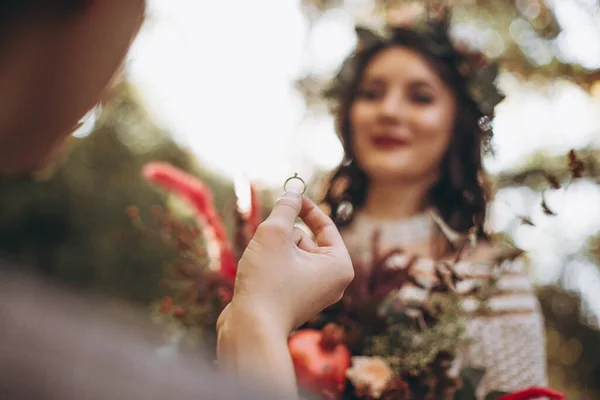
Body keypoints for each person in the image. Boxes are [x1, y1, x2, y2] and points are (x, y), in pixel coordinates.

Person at [0, 2, 353, 399]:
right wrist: (260, 318)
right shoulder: (77, 375)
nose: (114, 79)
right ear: (93, 12)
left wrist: (250, 318)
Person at [318, 7, 547, 398]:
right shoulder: (298, 247)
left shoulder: (493, 280)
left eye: (420, 97)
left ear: (457, 126)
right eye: (372, 94)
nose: (389, 111)